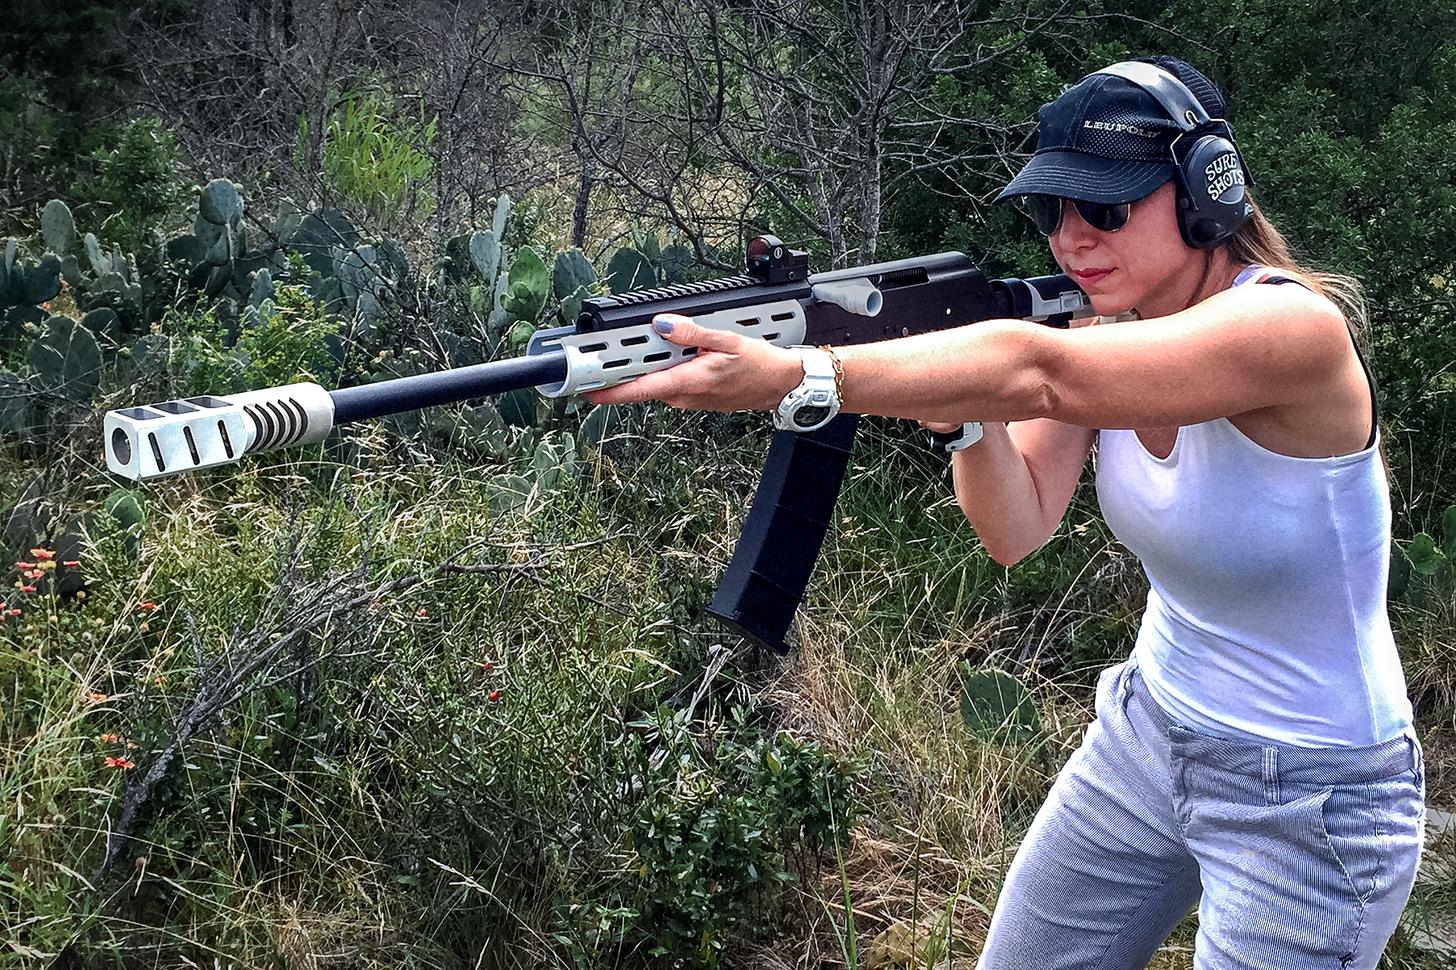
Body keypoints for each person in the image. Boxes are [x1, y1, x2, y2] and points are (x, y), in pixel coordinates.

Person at [584, 55, 1427, 968]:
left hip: (1311, 789)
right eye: (1052, 210)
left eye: (1105, 208)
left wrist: (803, 375)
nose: (1071, 238)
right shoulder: (1103, 333)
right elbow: (1014, 528)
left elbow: (1040, 371)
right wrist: (962, 419)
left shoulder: (1292, 329)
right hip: (1149, 733)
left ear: (1203, 194)